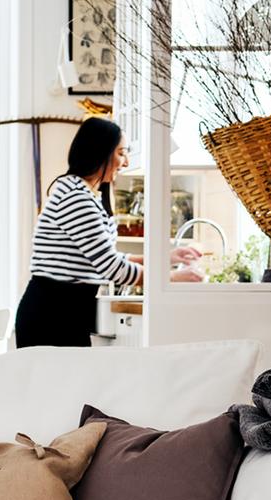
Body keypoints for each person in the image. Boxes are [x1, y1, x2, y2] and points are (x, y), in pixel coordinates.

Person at [13, 118, 205, 348]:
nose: (124, 162)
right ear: (100, 152)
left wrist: (168, 258)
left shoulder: (83, 193)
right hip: (52, 315)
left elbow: (107, 257)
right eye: (121, 153)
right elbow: (112, 267)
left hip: (62, 311)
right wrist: (170, 278)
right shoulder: (76, 198)